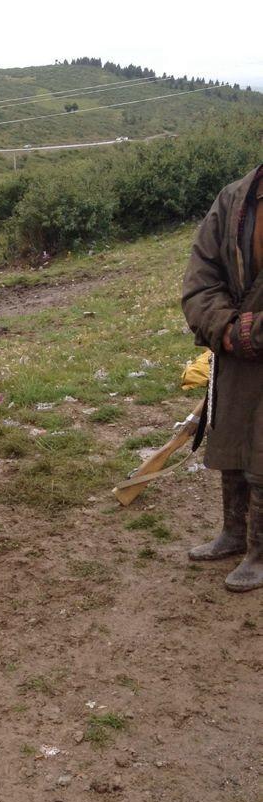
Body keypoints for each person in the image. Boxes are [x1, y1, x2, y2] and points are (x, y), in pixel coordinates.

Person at [182, 162, 263, 592]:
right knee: (231, 432)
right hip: (235, 348)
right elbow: (201, 278)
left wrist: (256, 332)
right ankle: (234, 534)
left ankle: (261, 551)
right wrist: (226, 329)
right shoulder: (234, 198)